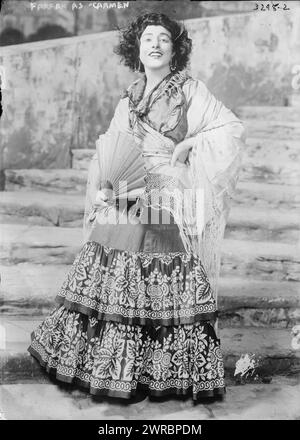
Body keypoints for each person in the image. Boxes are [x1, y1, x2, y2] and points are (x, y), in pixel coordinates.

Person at [28, 13, 245, 403]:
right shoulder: (128, 99)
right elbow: (110, 150)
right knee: (114, 255)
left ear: (176, 51)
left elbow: (228, 128)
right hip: (128, 190)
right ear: (137, 49)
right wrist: (102, 186)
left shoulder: (190, 91)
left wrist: (188, 145)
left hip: (167, 193)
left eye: (164, 39)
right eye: (148, 39)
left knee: (155, 255)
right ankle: (109, 369)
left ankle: (161, 372)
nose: (156, 45)